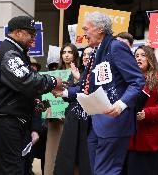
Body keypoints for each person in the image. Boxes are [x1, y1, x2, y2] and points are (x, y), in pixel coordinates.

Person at [53, 12, 145, 175]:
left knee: (106, 171)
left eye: (86, 29)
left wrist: (121, 104)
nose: (84, 33)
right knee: (95, 171)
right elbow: (85, 86)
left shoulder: (116, 46)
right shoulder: (96, 51)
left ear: (100, 29)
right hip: (97, 124)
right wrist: (64, 92)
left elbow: (137, 81)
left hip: (115, 121)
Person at [0, 16, 63, 175]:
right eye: (31, 33)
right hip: (5, 119)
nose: (34, 38)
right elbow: (26, 80)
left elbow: (26, 86)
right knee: (12, 169)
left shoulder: (15, 52)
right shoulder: (9, 52)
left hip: (9, 118)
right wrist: (52, 81)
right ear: (17, 32)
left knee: (9, 168)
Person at [127, 45, 158, 175]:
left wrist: (147, 113)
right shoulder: (129, 79)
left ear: (150, 58)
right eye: (136, 56)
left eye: (143, 55)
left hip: (150, 139)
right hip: (130, 139)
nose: (139, 58)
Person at [53, 46, 92, 175]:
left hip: (87, 121)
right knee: (66, 156)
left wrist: (78, 79)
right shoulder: (70, 71)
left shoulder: (94, 73)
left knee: (84, 157)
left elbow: (86, 91)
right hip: (70, 118)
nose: (87, 56)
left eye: (90, 54)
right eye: (85, 54)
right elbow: (68, 96)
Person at [44, 43, 80, 175]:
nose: (66, 55)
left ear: (75, 55)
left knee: (70, 155)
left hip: (72, 119)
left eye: (70, 52)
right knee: (53, 153)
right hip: (54, 121)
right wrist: (51, 112)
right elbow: (47, 97)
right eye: (64, 52)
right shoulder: (54, 74)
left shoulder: (80, 74)